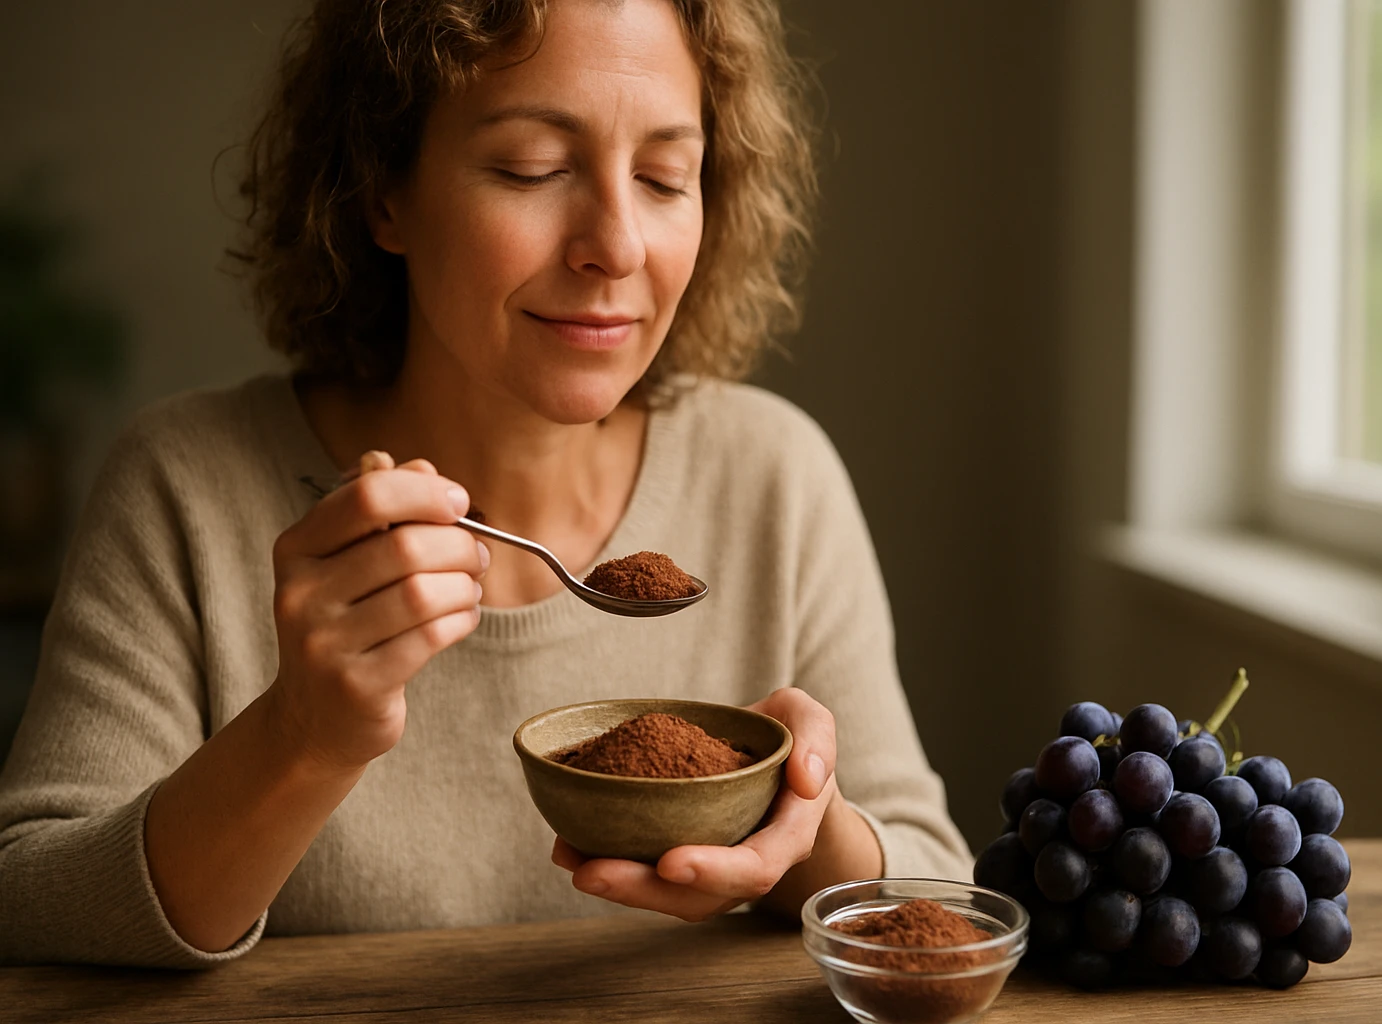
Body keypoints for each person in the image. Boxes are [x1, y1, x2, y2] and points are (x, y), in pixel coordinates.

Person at [0, 0, 971, 968]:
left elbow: (938, 899)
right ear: (384, 190)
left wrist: (802, 820)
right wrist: (302, 736)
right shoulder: (184, 485)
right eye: (533, 169)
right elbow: (30, 907)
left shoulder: (773, 477)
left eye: (664, 178)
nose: (618, 246)